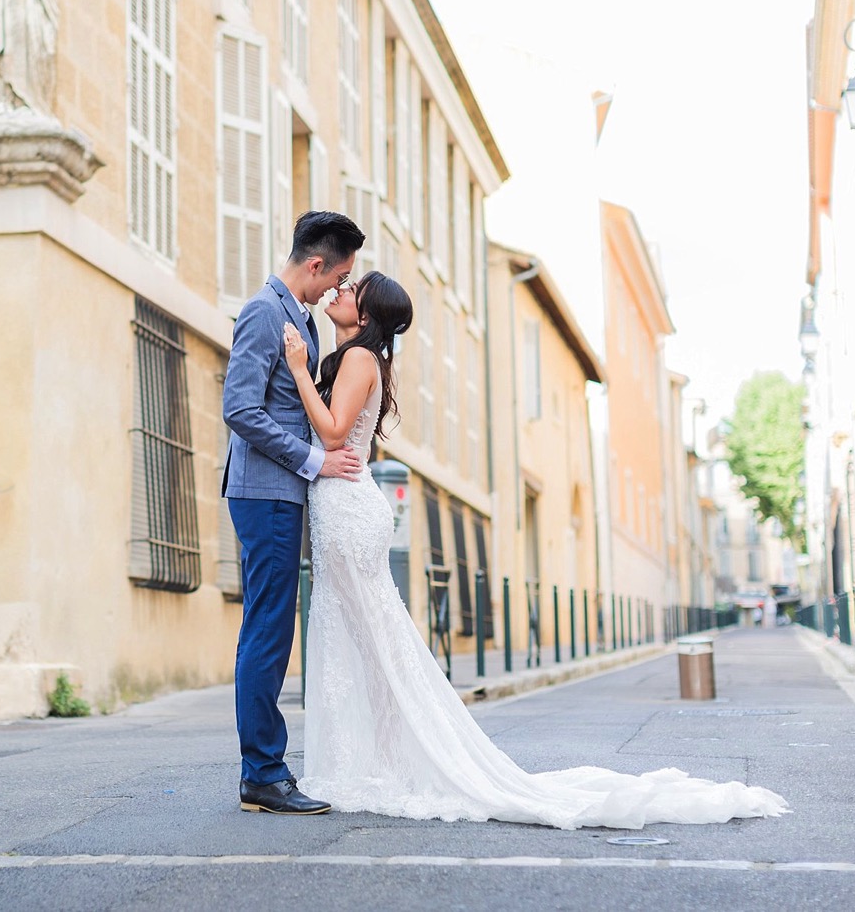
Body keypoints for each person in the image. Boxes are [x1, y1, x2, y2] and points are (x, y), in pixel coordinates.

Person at [282, 271, 791, 829]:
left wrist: (302, 372)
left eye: (352, 288)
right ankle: (384, 761)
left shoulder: (358, 361)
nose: (339, 290)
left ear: (367, 312)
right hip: (345, 508)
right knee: (369, 647)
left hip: (349, 514)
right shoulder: (355, 356)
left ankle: (389, 763)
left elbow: (332, 435)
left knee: (374, 648)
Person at [222, 211, 366, 816]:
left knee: (270, 626)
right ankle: (264, 773)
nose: (339, 287)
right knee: (268, 629)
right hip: (265, 492)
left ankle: (265, 769)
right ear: (316, 265)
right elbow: (240, 409)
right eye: (341, 276)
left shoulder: (298, 317)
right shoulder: (265, 311)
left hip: (279, 494)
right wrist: (314, 459)